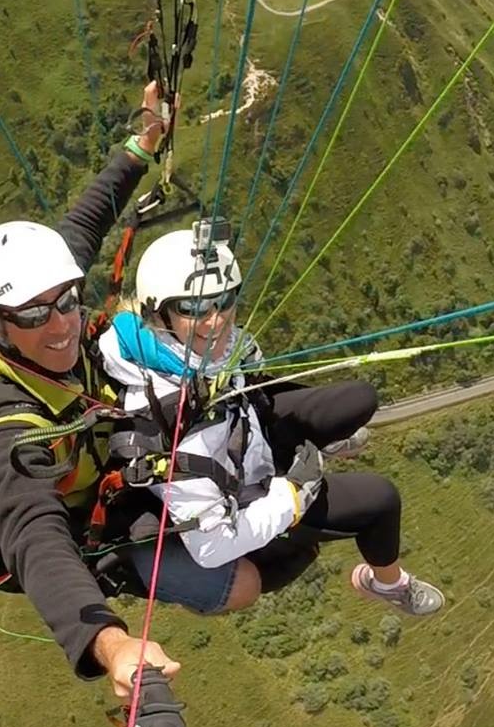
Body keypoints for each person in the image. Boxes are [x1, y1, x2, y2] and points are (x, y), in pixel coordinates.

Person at [0, 81, 184, 704]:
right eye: (32, 316)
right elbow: (32, 531)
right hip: (85, 524)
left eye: (67, 302)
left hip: (104, 452)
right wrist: (111, 644)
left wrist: (143, 141)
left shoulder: (45, 291)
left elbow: (87, 218)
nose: (60, 324)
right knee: (242, 579)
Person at [93, 224, 446, 619]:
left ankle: (322, 442)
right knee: (381, 500)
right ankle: (387, 584)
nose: (216, 321)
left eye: (224, 301)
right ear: (158, 314)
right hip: (248, 495)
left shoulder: (182, 351)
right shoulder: (163, 421)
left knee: (359, 400)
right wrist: (293, 496)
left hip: (245, 434)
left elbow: (253, 383)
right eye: (193, 308)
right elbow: (210, 548)